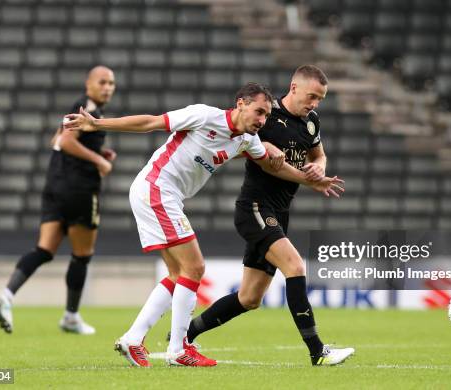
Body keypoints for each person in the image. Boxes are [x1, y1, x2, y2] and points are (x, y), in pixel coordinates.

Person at [63, 82, 344, 367]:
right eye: (258, 112)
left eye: (265, 115)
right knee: (194, 267)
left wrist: (311, 180)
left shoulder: (246, 140)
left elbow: (274, 166)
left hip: (165, 196)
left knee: (178, 273)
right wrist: (97, 123)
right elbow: (150, 122)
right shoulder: (204, 116)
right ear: (241, 104)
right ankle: (177, 349)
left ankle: (133, 338)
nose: (262, 120)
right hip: (156, 188)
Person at [183, 65, 354, 365]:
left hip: (279, 212)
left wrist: (320, 167)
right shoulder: (266, 115)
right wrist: (264, 148)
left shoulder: (311, 122)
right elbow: (245, 147)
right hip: (255, 208)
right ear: (294, 87)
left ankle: (184, 333)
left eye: (320, 99)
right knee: (295, 265)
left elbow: (319, 155)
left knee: (249, 298)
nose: (314, 104)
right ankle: (318, 351)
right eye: (312, 96)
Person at [0, 66, 117, 335]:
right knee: (82, 255)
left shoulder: (81, 108)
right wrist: (99, 162)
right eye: (102, 82)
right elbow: (66, 140)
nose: (107, 87)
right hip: (80, 190)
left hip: (55, 186)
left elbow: (56, 140)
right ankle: (71, 316)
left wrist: (99, 150)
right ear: (89, 84)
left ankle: (7, 294)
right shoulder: (87, 109)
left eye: (111, 83)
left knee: (45, 250)